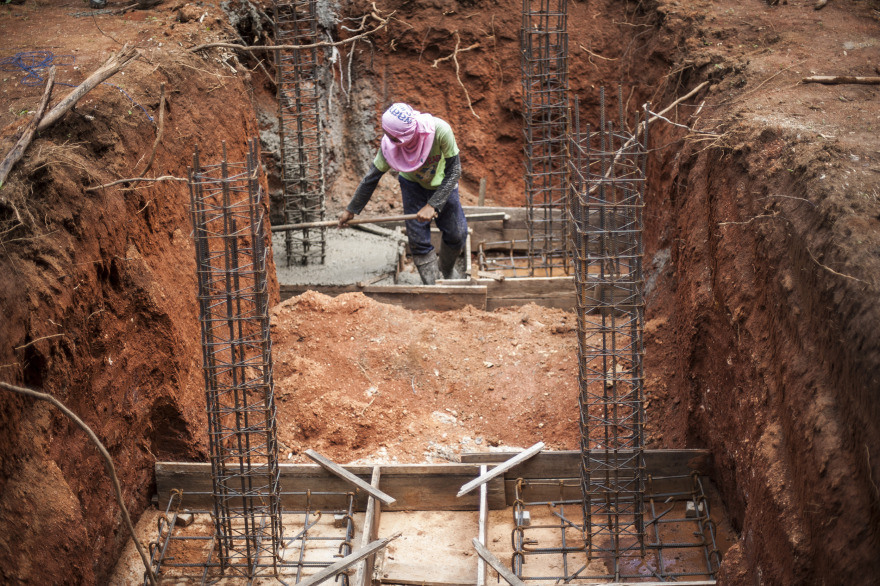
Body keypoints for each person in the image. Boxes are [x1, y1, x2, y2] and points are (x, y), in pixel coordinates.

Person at [338, 102, 468, 285]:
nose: (389, 140)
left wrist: (433, 204)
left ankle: (446, 270)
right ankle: (433, 286)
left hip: (443, 184)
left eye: (393, 138)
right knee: (418, 240)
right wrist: (351, 209)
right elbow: (371, 178)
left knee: (457, 233)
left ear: (406, 136)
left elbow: (454, 171)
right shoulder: (389, 146)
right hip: (412, 185)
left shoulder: (440, 130)